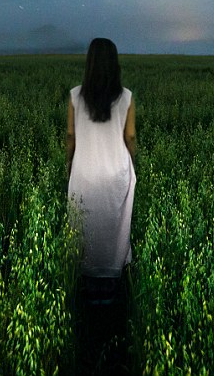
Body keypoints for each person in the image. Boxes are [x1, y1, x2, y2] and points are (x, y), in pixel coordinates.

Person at [66, 38, 136, 280]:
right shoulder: (126, 97)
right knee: (115, 225)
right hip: (117, 170)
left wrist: (69, 165)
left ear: (90, 63)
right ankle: (113, 275)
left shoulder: (75, 96)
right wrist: (133, 165)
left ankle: (84, 277)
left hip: (84, 170)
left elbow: (70, 136)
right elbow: (131, 137)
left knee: (83, 224)